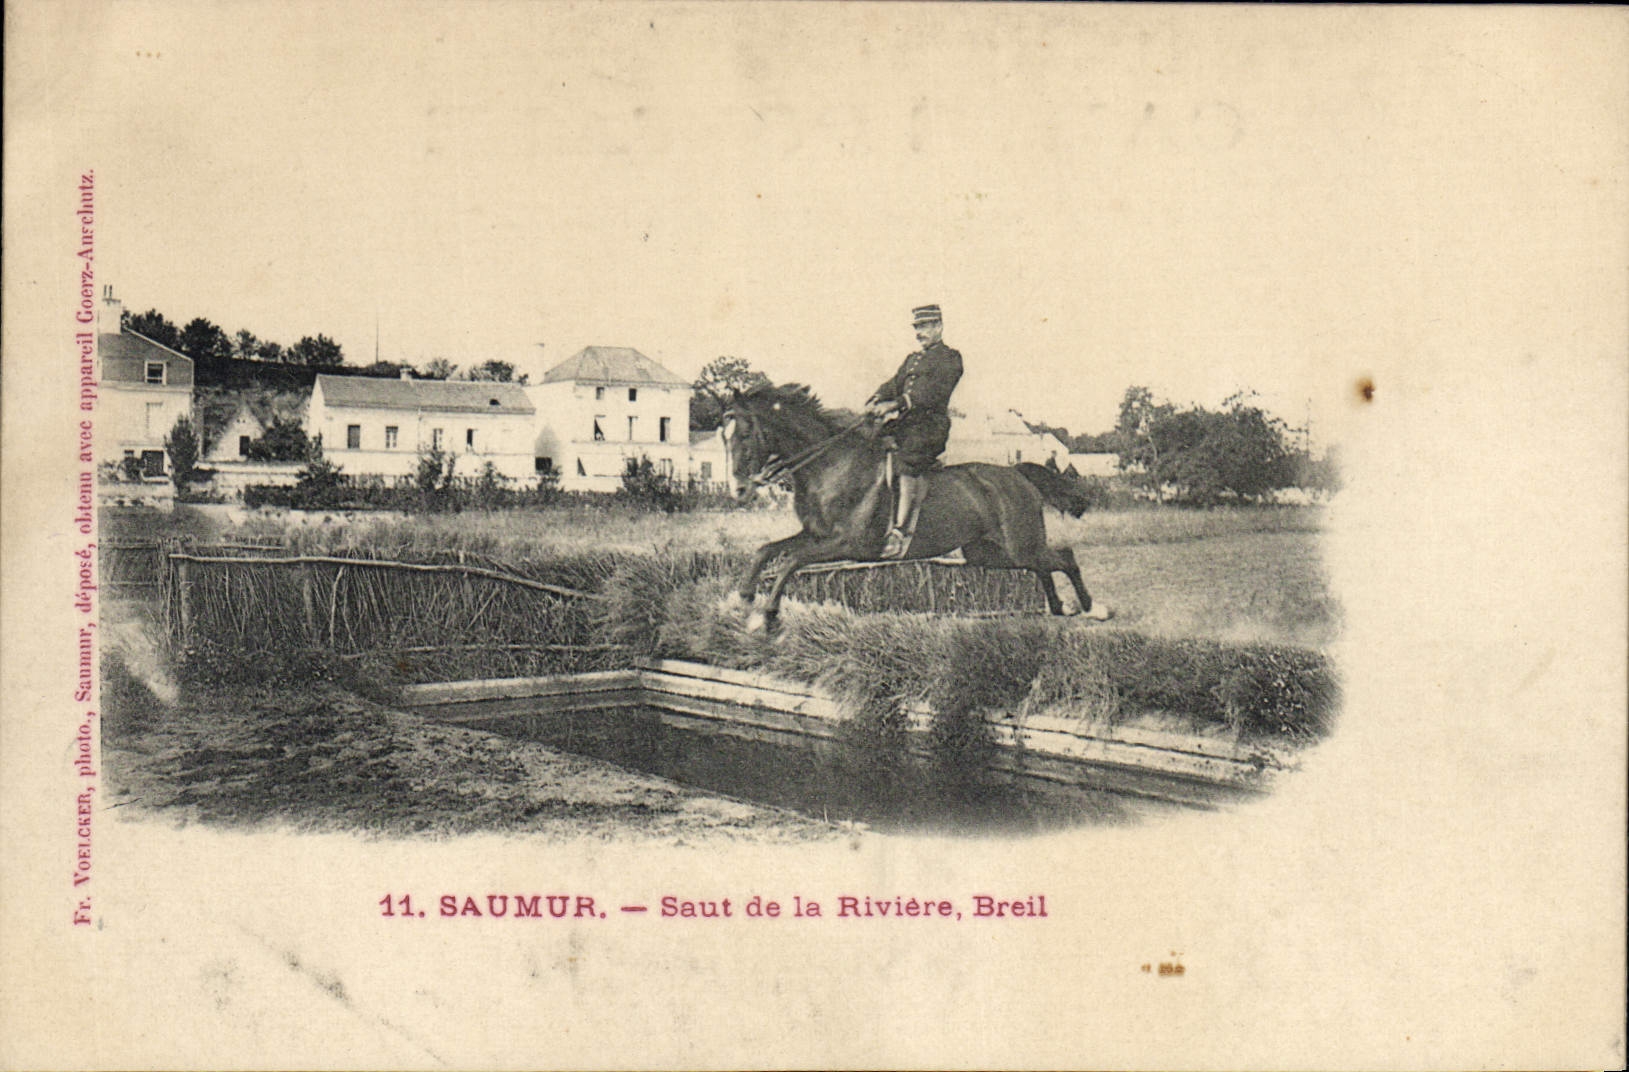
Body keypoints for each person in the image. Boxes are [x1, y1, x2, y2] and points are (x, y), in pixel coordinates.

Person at [865, 303, 964, 558]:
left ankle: (899, 533)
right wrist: (877, 397)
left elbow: (931, 393)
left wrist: (897, 403)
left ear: (939, 326)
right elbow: (895, 383)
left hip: (929, 428)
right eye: (917, 327)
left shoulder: (950, 358)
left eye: (924, 327)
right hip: (907, 425)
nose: (919, 332)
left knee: (906, 460)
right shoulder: (912, 359)